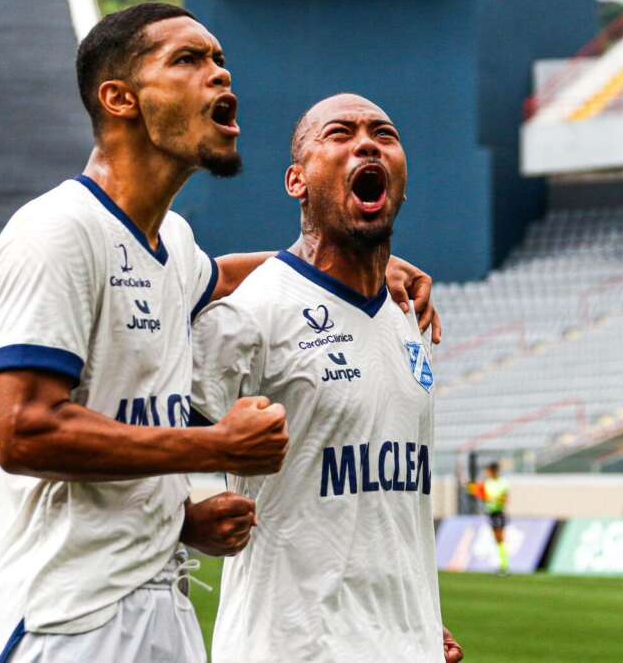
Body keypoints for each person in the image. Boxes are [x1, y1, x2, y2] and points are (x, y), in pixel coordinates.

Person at [0, 5, 441, 663]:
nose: (220, 77)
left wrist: (373, 263)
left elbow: (222, 276)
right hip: (64, 615)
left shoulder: (171, 247)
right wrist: (214, 445)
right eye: (189, 61)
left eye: (220, 61)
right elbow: (27, 431)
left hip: (163, 604)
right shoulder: (58, 231)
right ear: (119, 98)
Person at [191, 93, 462, 662]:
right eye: (338, 133)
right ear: (297, 181)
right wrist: (191, 513)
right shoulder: (253, 312)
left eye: (383, 134)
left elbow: (382, 502)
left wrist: (413, 623)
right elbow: (157, 433)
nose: (367, 143)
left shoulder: (406, 313)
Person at [470, 462, 510, 575]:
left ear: (493, 471)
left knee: (500, 539)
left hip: (498, 513)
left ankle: (504, 566)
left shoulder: (502, 483)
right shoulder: (488, 483)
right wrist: (472, 488)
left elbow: (502, 498)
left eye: (489, 471)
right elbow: (481, 493)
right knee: (498, 540)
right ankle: (502, 565)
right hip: (491, 513)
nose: (487, 473)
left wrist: (491, 499)